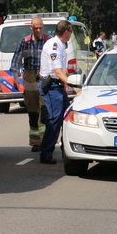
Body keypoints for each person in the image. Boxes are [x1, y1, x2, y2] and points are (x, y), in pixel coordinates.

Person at [38, 20, 80, 164]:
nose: (71, 35)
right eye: (71, 32)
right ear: (66, 31)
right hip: (51, 87)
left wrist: (76, 85)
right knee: (55, 118)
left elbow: (62, 73)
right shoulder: (55, 46)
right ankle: (46, 153)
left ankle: (65, 149)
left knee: (66, 117)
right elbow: (58, 72)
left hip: (58, 86)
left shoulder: (60, 45)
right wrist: (74, 85)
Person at [10, 16, 49, 152]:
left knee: (44, 109)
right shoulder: (24, 42)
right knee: (33, 110)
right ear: (31, 27)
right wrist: (15, 78)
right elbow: (15, 61)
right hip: (30, 76)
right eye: (36, 28)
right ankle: (35, 142)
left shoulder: (49, 40)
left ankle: (46, 140)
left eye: (41, 28)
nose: (38, 30)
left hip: (45, 76)